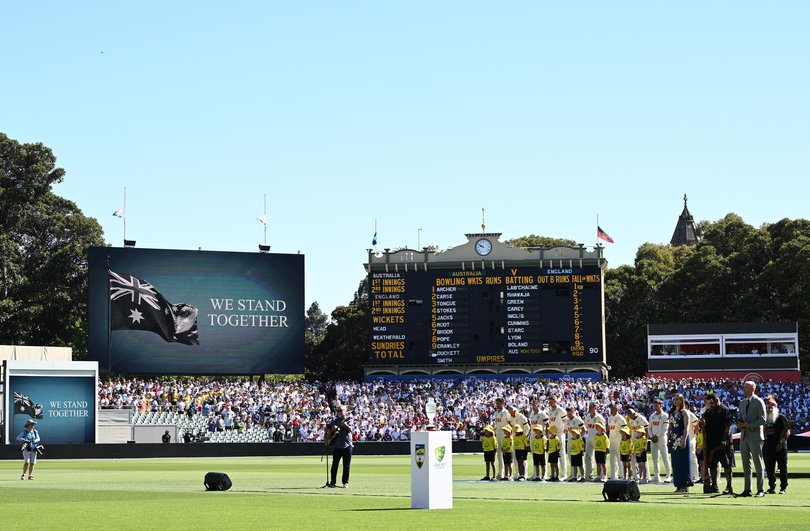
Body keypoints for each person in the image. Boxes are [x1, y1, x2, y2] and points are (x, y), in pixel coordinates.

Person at [737, 380, 766, 497]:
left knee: (758, 462)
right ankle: (747, 489)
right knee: (745, 464)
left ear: (753, 389)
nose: (745, 389)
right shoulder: (742, 402)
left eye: (747, 388)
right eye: (744, 387)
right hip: (744, 435)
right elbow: (740, 417)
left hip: (755, 436)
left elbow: (763, 420)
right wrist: (740, 424)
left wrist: (749, 425)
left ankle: (760, 489)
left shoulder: (759, 402)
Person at [701, 392, 734, 495]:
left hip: (723, 442)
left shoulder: (725, 410)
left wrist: (725, 439)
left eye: (712, 403)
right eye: (709, 403)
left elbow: (728, 426)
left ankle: (729, 486)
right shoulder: (708, 411)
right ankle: (714, 485)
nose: (710, 405)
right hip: (711, 442)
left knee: (726, 465)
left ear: (717, 400)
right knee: (712, 465)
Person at [762, 396, 789, 495]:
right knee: (769, 468)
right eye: (767, 407)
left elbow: (787, 431)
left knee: (782, 467)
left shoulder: (780, 417)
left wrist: (781, 443)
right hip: (768, 447)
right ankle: (771, 487)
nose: (768, 409)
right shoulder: (763, 419)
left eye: (770, 407)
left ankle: (783, 488)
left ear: (775, 408)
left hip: (780, 447)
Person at [327, 405, 353, 488]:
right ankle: (333, 482)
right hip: (337, 445)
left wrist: (345, 425)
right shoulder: (334, 421)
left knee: (346, 466)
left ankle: (345, 482)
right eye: (338, 410)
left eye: (341, 410)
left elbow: (350, 430)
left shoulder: (349, 419)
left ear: (345, 411)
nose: (339, 412)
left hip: (347, 445)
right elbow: (328, 430)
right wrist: (330, 429)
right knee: (334, 465)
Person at [669, 393, 690, 493]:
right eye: (674, 399)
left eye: (677, 399)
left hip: (681, 437)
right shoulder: (672, 412)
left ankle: (684, 485)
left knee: (682, 462)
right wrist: (668, 436)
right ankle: (678, 484)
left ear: (682, 401)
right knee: (675, 462)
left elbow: (687, 427)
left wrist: (684, 439)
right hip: (674, 439)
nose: (675, 401)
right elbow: (670, 426)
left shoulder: (684, 413)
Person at [649, 398, 671, 483]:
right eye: (654, 405)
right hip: (653, 439)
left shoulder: (665, 415)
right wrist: (651, 436)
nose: (655, 407)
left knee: (665, 457)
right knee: (654, 458)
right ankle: (656, 476)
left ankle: (668, 475)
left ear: (661, 405)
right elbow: (649, 427)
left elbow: (665, 428)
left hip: (661, 438)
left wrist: (656, 436)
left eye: (657, 405)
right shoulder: (652, 416)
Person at [583, 402, 606, 481]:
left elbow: (603, 428)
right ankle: (589, 475)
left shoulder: (599, 417)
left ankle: (602, 476)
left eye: (591, 407)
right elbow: (585, 426)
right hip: (589, 437)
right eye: (589, 407)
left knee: (599, 457)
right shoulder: (588, 417)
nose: (589, 409)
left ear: (595, 408)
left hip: (597, 438)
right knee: (588, 457)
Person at [546, 396, 568, 479]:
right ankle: (555, 474)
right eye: (549, 402)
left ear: (555, 401)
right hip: (552, 434)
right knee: (554, 454)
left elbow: (565, 421)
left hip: (560, 433)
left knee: (561, 453)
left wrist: (564, 431)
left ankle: (564, 474)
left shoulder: (560, 410)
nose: (550, 403)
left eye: (551, 401)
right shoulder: (550, 411)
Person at [607, 403, 626, 479]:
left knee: (619, 459)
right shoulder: (609, 418)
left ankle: (622, 475)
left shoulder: (621, 418)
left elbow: (625, 429)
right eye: (611, 409)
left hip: (619, 440)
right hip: (612, 440)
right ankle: (613, 475)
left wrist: (623, 439)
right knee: (612, 460)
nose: (611, 411)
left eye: (613, 409)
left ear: (616, 410)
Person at [493, 398, 511, 480]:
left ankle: (508, 474)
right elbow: (496, 424)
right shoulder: (496, 413)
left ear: (502, 403)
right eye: (496, 403)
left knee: (506, 454)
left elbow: (510, 423)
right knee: (499, 454)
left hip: (505, 435)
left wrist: (509, 434)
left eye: (498, 403)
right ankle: (500, 473)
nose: (497, 405)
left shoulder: (505, 412)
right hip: (498, 434)